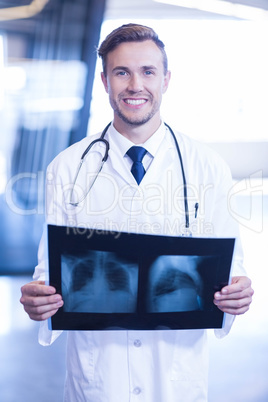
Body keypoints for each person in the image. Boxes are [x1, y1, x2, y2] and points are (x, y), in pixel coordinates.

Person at [20, 23, 253, 401]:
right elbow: (50, 272)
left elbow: (232, 269)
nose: (135, 85)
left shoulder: (208, 167)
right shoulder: (66, 168)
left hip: (176, 380)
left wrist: (237, 294)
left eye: (148, 71)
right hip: (99, 381)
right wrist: (39, 301)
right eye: (121, 72)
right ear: (104, 80)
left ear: (166, 80)